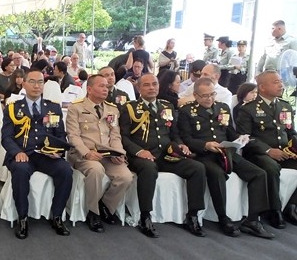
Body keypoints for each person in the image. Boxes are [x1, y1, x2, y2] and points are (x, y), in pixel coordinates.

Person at [178, 78, 272, 238]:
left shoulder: (222, 108)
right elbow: (185, 138)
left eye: (212, 94)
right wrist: (205, 145)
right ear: (195, 95)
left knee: (259, 173)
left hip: (227, 153)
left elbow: (229, 132)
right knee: (217, 174)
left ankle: (253, 220)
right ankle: (223, 217)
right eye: (205, 95)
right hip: (205, 155)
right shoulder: (187, 111)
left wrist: (240, 138)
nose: (209, 98)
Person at [119, 73, 207, 237]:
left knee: (197, 168)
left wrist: (180, 144)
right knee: (149, 168)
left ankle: (193, 215)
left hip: (166, 154)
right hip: (140, 156)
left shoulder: (167, 106)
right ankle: (145, 216)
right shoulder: (129, 108)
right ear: (138, 88)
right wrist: (139, 151)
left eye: (154, 84)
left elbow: (174, 134)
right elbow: (123, 136)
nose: (152, 87)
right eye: (146, 85)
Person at [2, 68, 73, 239]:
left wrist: (57, 151)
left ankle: (56, 216)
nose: (36, 85)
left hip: (46, 154)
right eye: (32, 81)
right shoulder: (13, 108)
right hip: (23, 154)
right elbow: (6, 137)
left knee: (65, 170)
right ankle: (23, 217)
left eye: (40, 82)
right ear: (24, 84)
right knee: (20, 170)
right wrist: (17, 152)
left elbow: (60, 136)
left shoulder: (53, 108)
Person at [66, 74, 133, 233]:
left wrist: (119, 153)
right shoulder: (76, 107)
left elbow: (115, 135)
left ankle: (106, 206)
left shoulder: (112, 109)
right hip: (84, 154)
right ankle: (93, 211)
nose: (106, 88)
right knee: (96, 171)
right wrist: (87, 153)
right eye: (101, 86)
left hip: (108, 154)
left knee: (126, 176)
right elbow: (73, 135)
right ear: (89, 89)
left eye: (107, 86)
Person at [236, 71, 297, 228]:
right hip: (258, 153)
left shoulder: (285, 106)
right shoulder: (248, 109)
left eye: (281, 81)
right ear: (262, 87)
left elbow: (291, 133)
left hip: (284, 151)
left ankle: (291, 206)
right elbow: (245, 137)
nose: (281, 85)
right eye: (276, 82)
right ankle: (274, 210)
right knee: (271, 167)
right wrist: (268, 151)